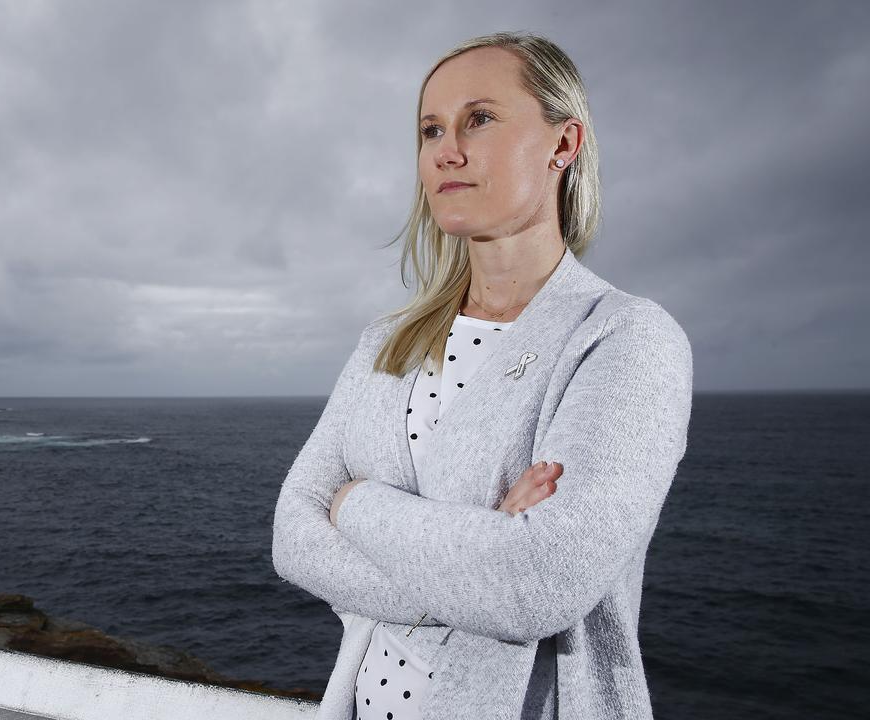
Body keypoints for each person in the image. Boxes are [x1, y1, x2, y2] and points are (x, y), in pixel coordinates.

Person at [271, 30, 693, 720]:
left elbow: (532, 585)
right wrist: (475, 548)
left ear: (563, 144)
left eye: (481, 119)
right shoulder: (388, 342)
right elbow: (292, 536)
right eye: (430, 129)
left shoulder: (625, 339)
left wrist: (353, 504)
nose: (446, 150)